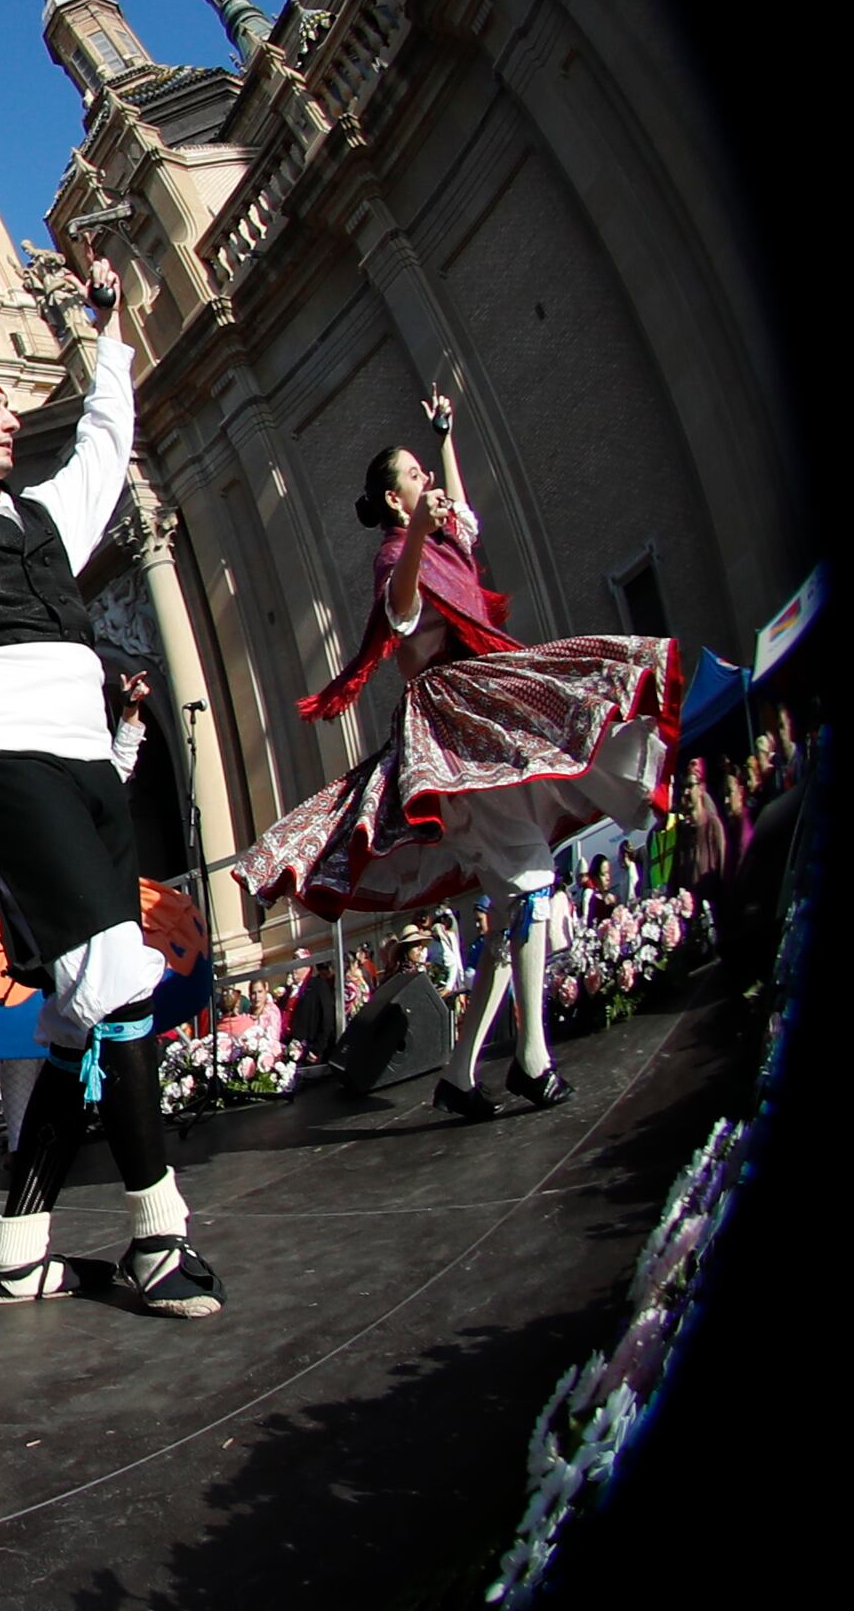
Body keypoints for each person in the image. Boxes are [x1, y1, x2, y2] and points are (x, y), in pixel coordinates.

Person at [0, 257, 220, 1318]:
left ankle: (16, 1251)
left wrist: (104, 335)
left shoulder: (44, 523)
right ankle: (157, 1238)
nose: (10, 420)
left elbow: (106, 444)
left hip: (84, 766)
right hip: (5, 762)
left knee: (79, 1024)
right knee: (115, 985)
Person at [232, 390, 676, 1125]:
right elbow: (403, 605)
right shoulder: (393, 558)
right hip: (451, 730)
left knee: (516, 902)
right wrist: (415, 537)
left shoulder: (437, 544)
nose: (428, 482)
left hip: (481, 718)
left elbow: (463, 528)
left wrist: (444, 440)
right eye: (414, 474)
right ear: (391, 499)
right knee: (530, 885)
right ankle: (531, 1059)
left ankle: (465, 1071)